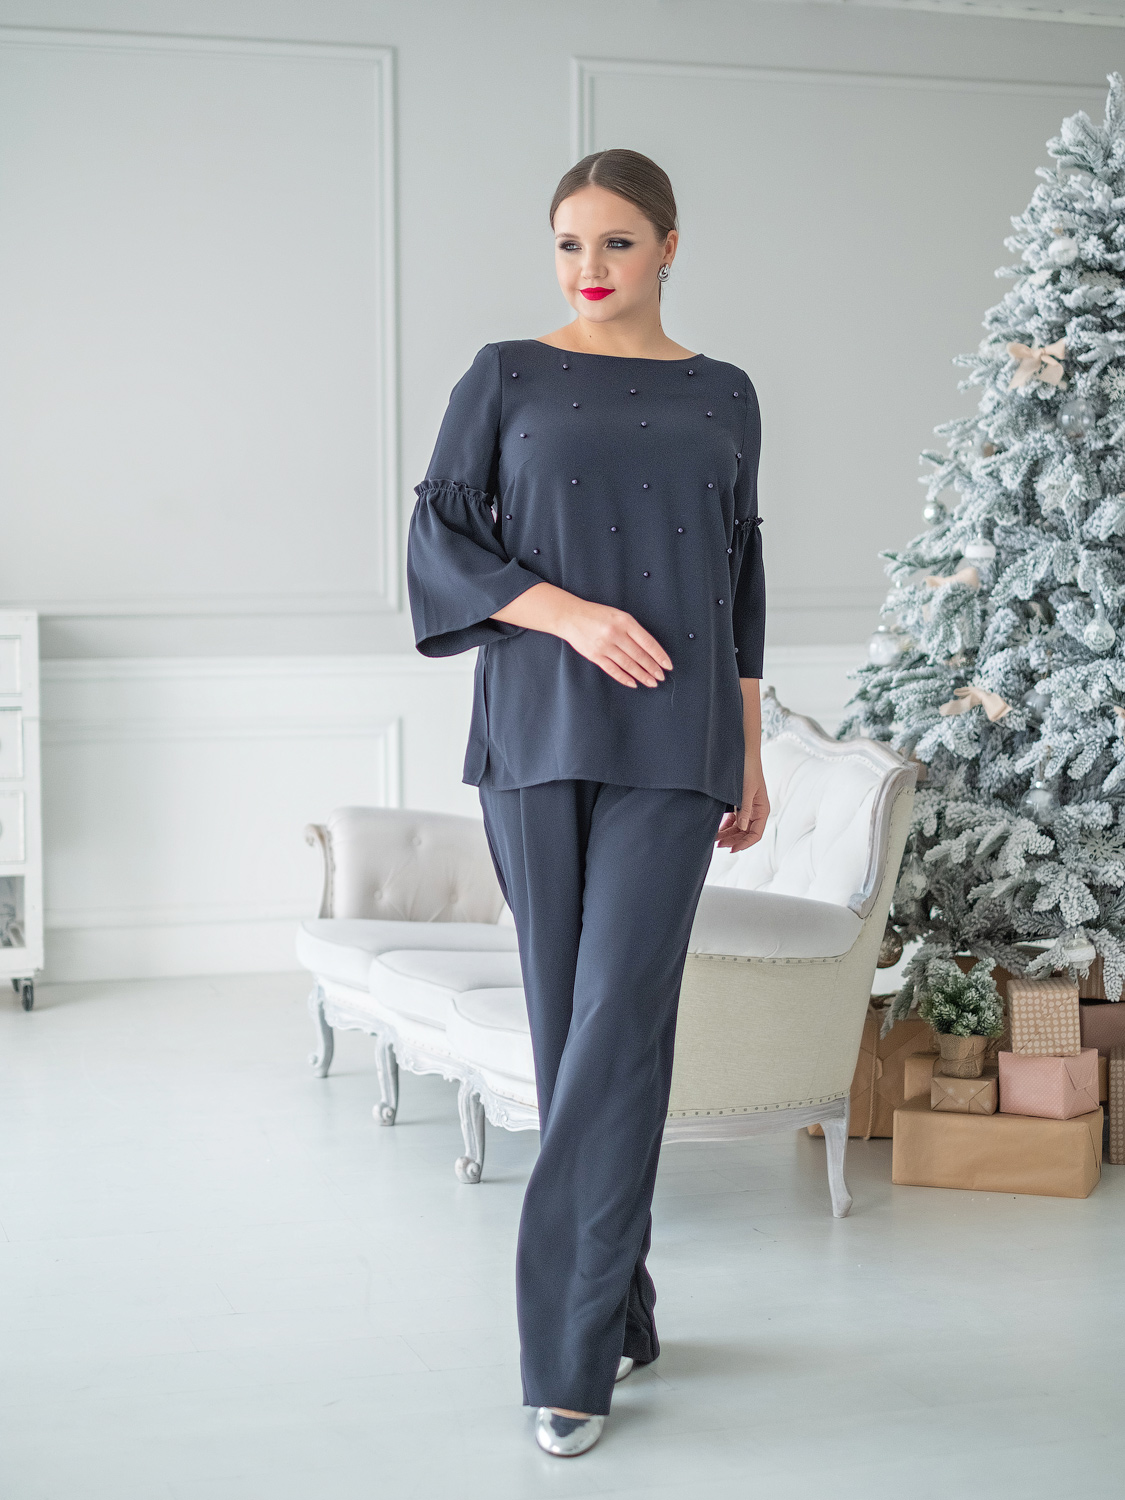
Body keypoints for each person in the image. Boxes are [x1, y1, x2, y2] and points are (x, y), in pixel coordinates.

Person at [406, 148, 768, 1457]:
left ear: (669, 246)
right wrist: (569, 614)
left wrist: (750, 752)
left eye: (616, 242)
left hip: (677, 744)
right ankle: (616, 1306)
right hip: (536, 735)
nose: (590, 268)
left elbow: (740, 573)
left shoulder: (724, 393)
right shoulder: (505, 374)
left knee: (616, 1026)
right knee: (573, 1038)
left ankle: (564, 1364)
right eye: (569, 244)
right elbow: (440, 538)